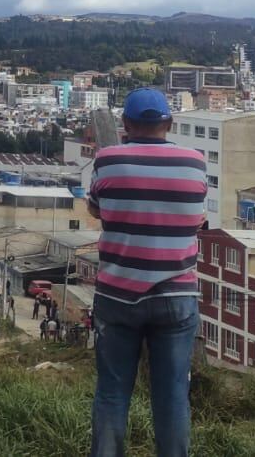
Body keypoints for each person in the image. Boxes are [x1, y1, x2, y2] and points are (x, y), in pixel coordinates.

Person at [88, 88, 207, 457]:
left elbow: (97, 211)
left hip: (116, 294)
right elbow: (198, 220)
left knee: (112, 390)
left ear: (125, 125)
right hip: (176, 294)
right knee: (172, 393)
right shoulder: (194, 162)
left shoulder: (107, 159)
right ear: (169, 123)